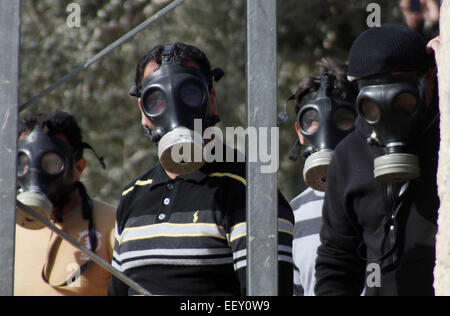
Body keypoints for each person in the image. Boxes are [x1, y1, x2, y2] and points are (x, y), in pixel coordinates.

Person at [108, 42, 294, 296]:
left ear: (212, 101)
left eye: (189, 94)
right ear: (143, 111)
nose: (175, 109)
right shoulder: (132, 196)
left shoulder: (250, 191)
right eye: (157, 99)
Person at [315, 24, 439, 296]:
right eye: (372, 101)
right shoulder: (348, 156)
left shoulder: (446, 146)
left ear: (429, 78)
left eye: (401, 97)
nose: (387, 111)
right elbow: (337, 264)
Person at [14, 110, 116, 296]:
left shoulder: (113, 226)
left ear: (79, 167)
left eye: (52, 163)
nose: (36, 174)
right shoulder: (7, 230)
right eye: (24, 164)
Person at [287, 58, 358, 296]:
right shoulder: (290, 217)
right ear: (300, 132)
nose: (327, 131)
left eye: (343, 119)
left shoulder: (384, 199)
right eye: (313, 121)